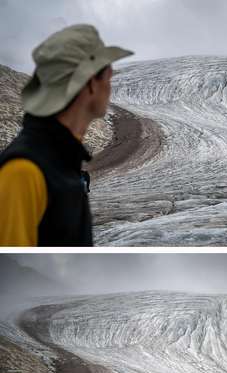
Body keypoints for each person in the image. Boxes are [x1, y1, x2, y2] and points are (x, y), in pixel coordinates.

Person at [0, 24, 133, 246]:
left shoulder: (58, 162)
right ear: (90, 83)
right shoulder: (24, 171)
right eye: (108, 77)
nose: (110, 88)